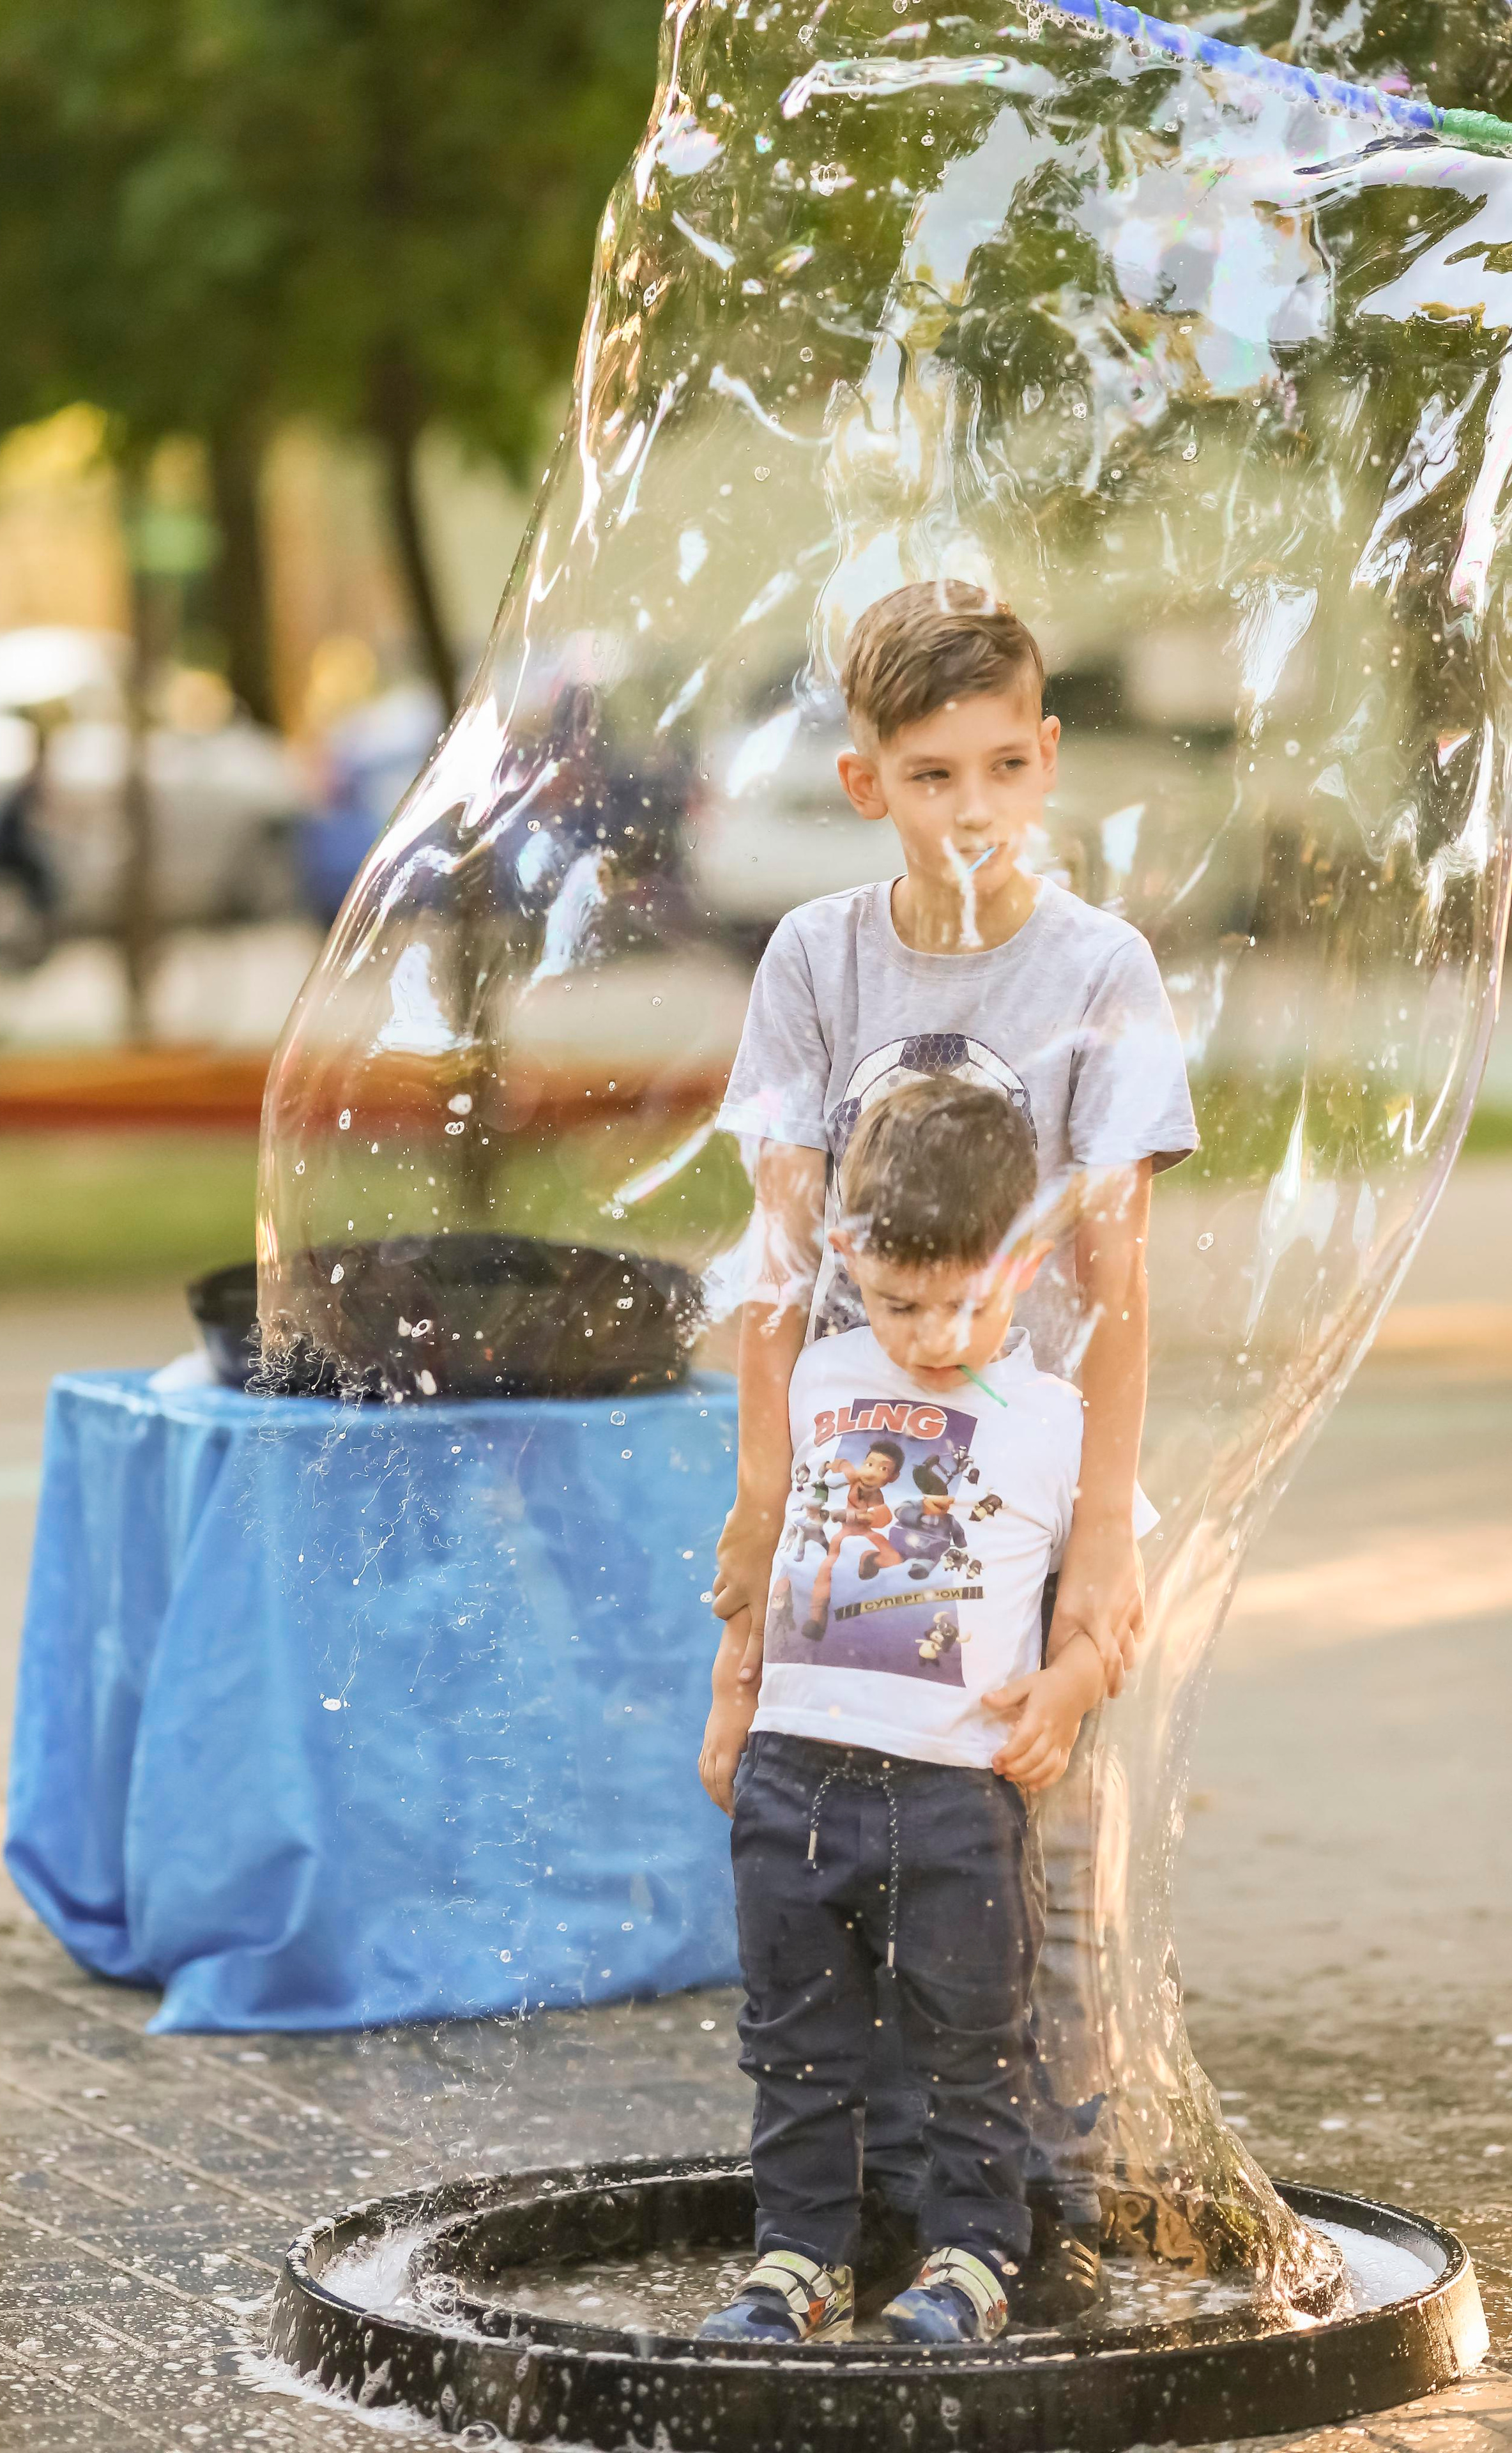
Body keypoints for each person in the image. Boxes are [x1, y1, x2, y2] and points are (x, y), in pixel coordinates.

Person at [700, 579, 1196, 2306]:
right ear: (866, 787)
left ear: (1048, 759)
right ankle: (838, 2226)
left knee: (1009, 1848)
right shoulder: (815, 959)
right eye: (930, 777)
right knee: (836, 1854)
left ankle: (1002, 2228)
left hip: (1030, 1482)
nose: (971, 809)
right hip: (857, 1486)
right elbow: (777, 1262)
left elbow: (1120, 1285)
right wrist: (763, 1513)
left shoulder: (1099, 972)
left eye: (1001, 768)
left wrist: (1110, 1541)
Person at [698, 1079, 1152, 2346]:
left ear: (1029, 1265)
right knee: (792, 2047)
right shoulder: (815, 1375)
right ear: (847, 1256)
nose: (932, 1334)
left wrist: (1061, 1691)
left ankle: (971, 2256)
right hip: (794, 1774)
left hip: (957, 1792)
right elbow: (763, 1566)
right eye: (901, 1303)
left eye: (968, 1302)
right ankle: (797, 2259)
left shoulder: (1057, 1420)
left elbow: (1112, 1604)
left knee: (971, 2046)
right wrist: (730, 1706)